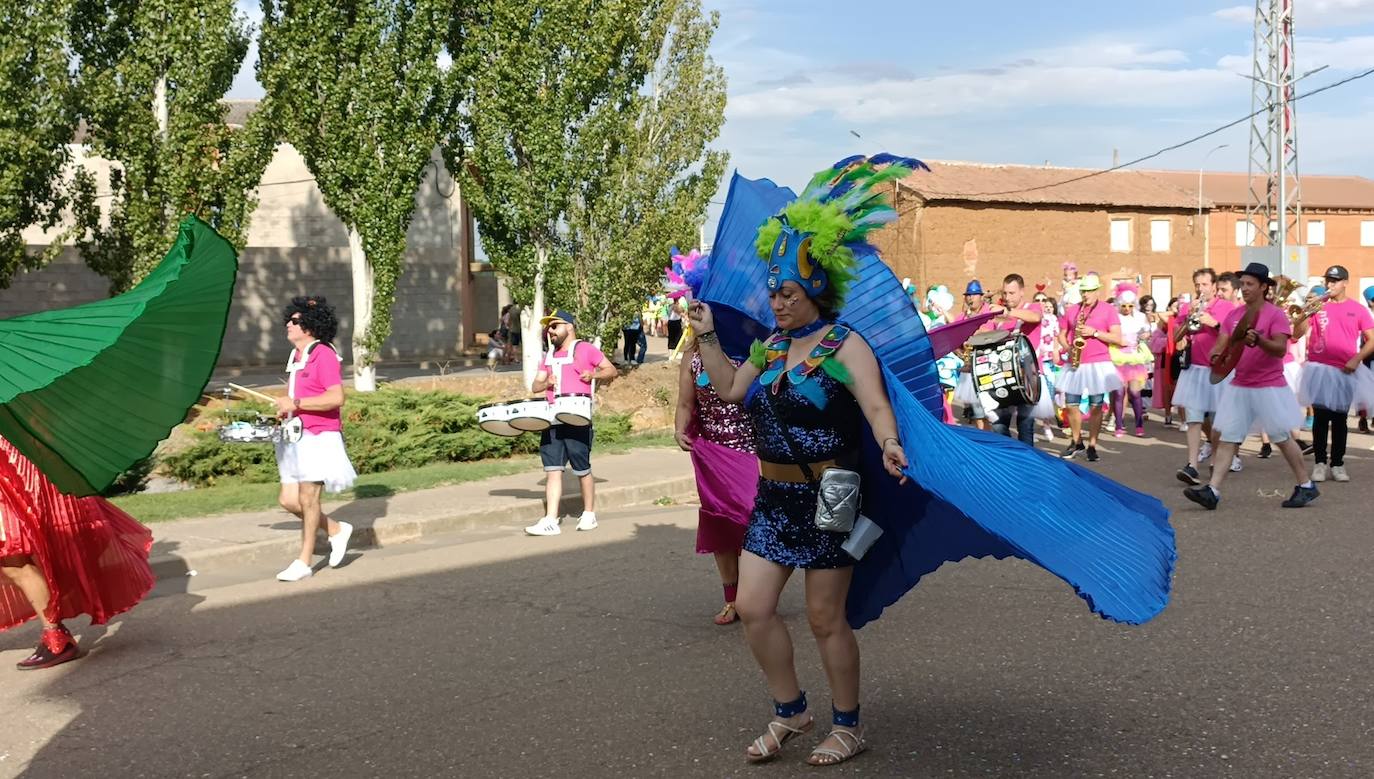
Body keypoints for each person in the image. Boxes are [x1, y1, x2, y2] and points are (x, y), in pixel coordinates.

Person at [689, 239, 909, 769]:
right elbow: (730, 389)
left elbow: (876, 404)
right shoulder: (769, 346)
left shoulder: (844, 344)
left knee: (824, 617)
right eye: (774, 295)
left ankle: (848, 726)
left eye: (788, 293)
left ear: (814, 290)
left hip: (833, 494)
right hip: (773, 495)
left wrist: (889, 442)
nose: (778, 304)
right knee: (753, 607)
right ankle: (791, 711)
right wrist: (708, 335)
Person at [1, 439, 155, 669]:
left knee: (13, 561)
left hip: (10, 468)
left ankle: (57, 638)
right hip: (14, 464)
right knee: (14, 561)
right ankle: (56, 636)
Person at [1183, 263, 1318, 510]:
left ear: (1263, 287)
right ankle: (1212, 490)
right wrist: (1215, 356)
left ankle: (1306, 485)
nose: (1244, 289)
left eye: (1249, 284)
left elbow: (1279, 350)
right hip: (1240, 384)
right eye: (1242, 284)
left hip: (1269, 386)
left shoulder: (1275, 314)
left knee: (1282, 439)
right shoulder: (1234, 315)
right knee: (1227, 438)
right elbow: (1221, 344)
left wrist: (1260, 340)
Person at [674, 331, 758, 626]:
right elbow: (686, 403)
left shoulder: (751, 348)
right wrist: (679, 429)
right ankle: (732, 599)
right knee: (720, 525)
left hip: (751, 453)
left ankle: (755, 594)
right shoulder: (692, 357)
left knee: (751, 521)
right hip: (711, 453)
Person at [273, 296, 357, 582]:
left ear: (310, 326)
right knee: (288, 500)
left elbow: (336, 397)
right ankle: (335, 529)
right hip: (294, 435)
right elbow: (298, 398)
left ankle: (304, 561)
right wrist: (285, 409)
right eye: (290, 319)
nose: (289, 324)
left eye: (294, 321)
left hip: (319, 435)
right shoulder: (297, 356)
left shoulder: (323, 354)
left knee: (309, 499)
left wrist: (295, 403)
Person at [524, 309, 619, 536]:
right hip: (552, 419)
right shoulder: (548, 356)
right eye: (548, 328)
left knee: (582, 469)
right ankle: (550, 519)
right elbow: (534, 387)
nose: (550, 331)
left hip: (578, 418)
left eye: (554, 326)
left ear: (569, 326)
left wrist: (592, 375)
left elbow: (611, 369)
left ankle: (588, 514)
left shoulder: (585, 349)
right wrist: (546, 382)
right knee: (553, 470)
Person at [1294, 265, 1374, 482]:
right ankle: (1320, 462)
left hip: (1344, 370)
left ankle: (1338, 463)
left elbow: (1372, 340)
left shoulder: (1357, 309)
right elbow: (1296, 334)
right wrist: (1304, 313)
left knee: (1339, 419)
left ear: (1345, 282)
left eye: (1335, 281)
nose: (1330, 285)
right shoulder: (1319, 306)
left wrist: (1356, 359)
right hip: (1319, 369)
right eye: (1328, 280)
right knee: (1320, 418)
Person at [1173, 269, 1239, 485]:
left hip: (1217, 370)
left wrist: (1214, 323)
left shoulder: (1226, 307)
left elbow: (1234, 337)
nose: (1200, 289)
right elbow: (1176, 337)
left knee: (1218, 420)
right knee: (1193, 419)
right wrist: (1187, 317)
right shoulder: (1187, 306)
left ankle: (1215, 460)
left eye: (1204, 285)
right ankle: (1191, 465)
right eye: (1197, 285)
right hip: (1194, 369)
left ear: (1214, 286)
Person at [1056, 274, 1123, 461]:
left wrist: (1094, 332)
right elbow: (1062, 334)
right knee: (1070, 405)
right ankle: (1077, 442)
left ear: (1097, 291)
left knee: (1096, 406)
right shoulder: (1072, 311)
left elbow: (1117, 337)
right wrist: (1068, 348)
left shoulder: (1108, 309)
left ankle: (1092, 445)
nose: (1085, 294)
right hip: (1075, 361)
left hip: (1098, 363)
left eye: (1089, 291)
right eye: (1083, 291)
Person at [988, 273, 1047, 445]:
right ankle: (1011, 460)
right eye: (1005, 293)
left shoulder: (1033, 306)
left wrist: (1008, 312)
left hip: (1028, 376)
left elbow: (1035, 318)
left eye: (1012, 293)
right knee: (999, 426)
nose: (1007, 297)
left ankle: (1028, 467)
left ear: (1022, 291)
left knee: (1025, 426)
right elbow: (985, 334)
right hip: (1003, 376)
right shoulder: (999, 316)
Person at [1109, 284, 1152, 437]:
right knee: (1119, 392)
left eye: (1130, 305)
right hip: (1118, 356)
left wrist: (1144, 336)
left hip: (1134, 358)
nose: (1127, 308)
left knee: (1135, 393)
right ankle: (1119, 426)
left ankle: (1139, 425)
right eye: (1124, 305)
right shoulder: (1114, 317)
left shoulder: (1140, 317)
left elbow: (1147, 332)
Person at [951, 280, 995, 430]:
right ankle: (986, 442)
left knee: (992, 411)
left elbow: (988, 333)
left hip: (989, 367)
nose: (970, 298)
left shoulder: (989, 312)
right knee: (977, 413)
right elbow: (952, 339)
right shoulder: (961, 317)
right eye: (968, 295)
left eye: (974, 295)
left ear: (981, 296)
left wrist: (969, 328)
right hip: (970, 370)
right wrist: (960, 354)